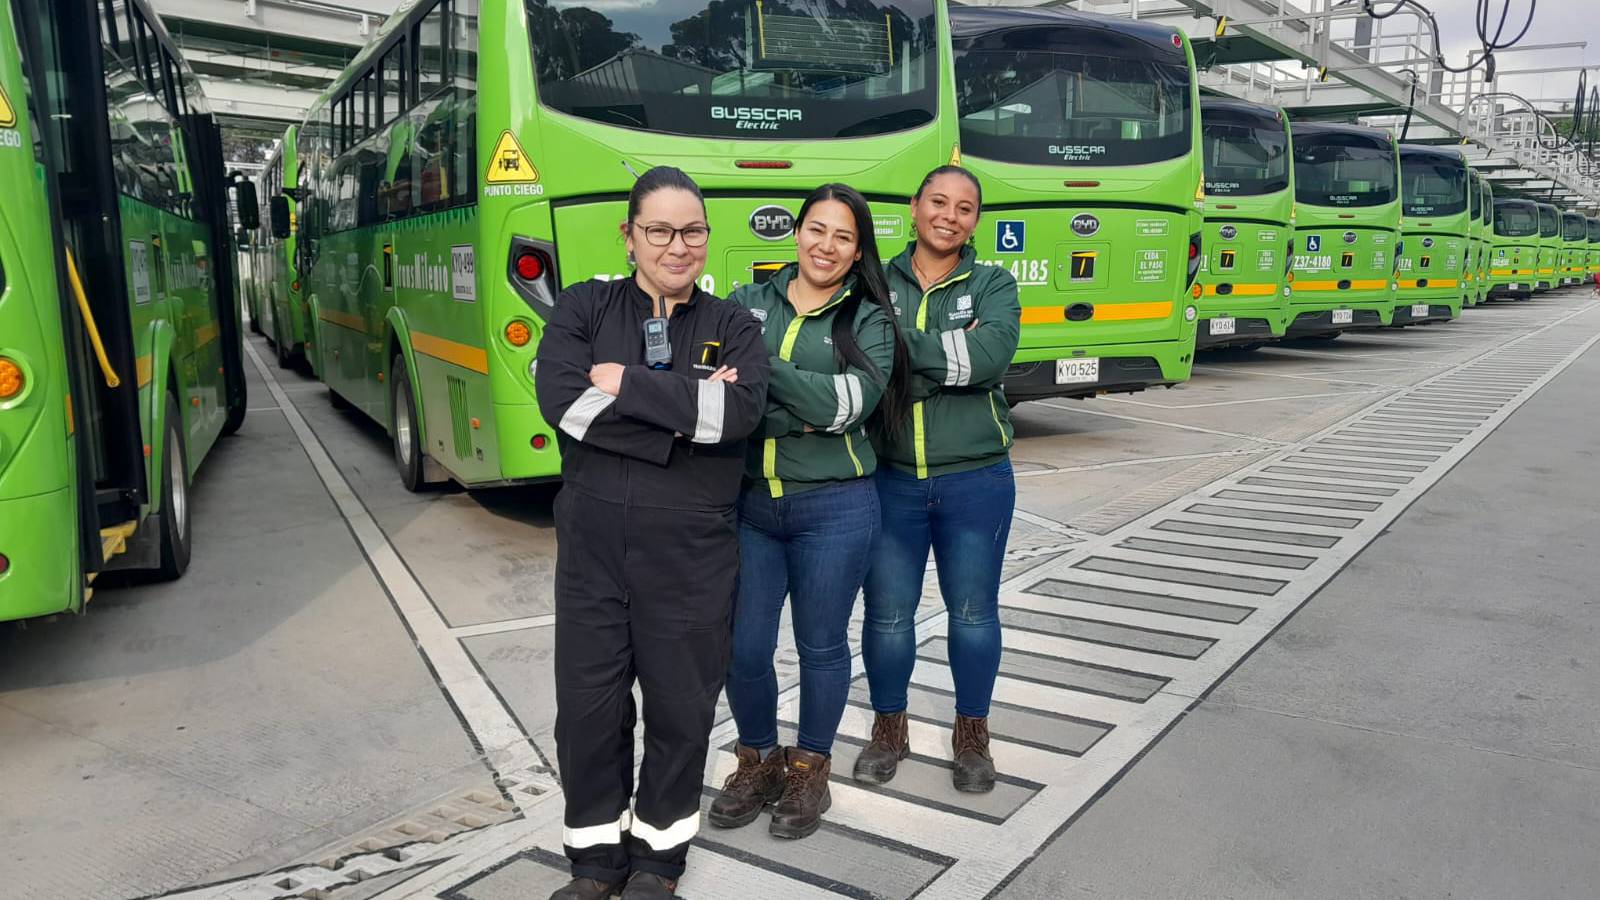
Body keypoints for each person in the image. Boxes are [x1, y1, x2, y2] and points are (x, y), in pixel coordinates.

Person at [534, 166, 769, 900]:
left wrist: (626, 385)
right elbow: (561, 404)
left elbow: (736, 418)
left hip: (693, 556)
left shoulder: (735, 325)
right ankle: (594, 861)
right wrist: (682, 420)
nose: (678, 245)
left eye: (692, 230)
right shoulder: (582, 307)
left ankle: (658, 864)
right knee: (588, 712)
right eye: (659, 230)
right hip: (593, 553)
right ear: (629, 236)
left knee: (680, 711)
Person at [708, 184, 910, 840]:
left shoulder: (869, 320)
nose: (826, 245)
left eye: (843, 237)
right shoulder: (747, 301)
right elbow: (718, 396)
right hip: (752, 507)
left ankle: (808, 771)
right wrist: (792, 403)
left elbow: (846, 407)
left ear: (858, 251)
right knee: (743, 647)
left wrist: (763, 370)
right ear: (796, 234)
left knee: (821, 644)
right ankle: (758, 760)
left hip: (837, 508)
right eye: (816, 230)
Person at [854, 166, 1021, 794]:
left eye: (966, 208)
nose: (950, 216)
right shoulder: (872, 283)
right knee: (889, 615)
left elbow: (992, 356)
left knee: (974, 613)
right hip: (890, 481)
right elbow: (865, 362)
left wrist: (905, 355)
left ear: (977, 220)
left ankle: (971, 733)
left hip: (976, 481)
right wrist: (950, 358)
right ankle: (888, 727)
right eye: (938, 202)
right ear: (915, 206)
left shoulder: (995, 283)